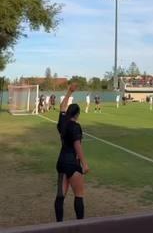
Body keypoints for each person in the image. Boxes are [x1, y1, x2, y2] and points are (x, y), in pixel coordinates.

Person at [54, 84, 89, 222]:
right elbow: (77, 145)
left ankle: (58, 224)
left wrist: (69, 92)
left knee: (60, 196)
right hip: (72, 164)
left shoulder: (62, 123)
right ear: (78, 115)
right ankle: (80, 224)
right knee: (79, 195)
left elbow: (62, 107)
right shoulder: (75, 127)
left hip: (61, 162)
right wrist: (84, 163)